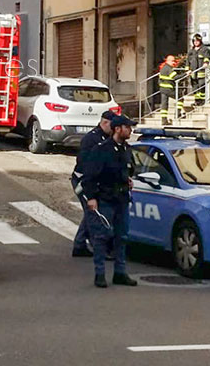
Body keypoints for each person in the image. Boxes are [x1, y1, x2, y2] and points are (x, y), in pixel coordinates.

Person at [80, 114, 139, 288]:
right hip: (105, 198)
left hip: (121, 199)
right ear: (117, 129)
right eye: (127, 128)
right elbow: (89, 176)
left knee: (122, 236)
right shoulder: (101, 150)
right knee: (102, 236)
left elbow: (129, 168)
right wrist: (91, 198)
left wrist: (128, 179)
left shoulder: (127, 149)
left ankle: (120, 272)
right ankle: (100, 274)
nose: (130, 131)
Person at [70, 110, 114, 257]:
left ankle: (79, 244)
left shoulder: (106, 137)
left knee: (91, 213)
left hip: (92, 181)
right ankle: (98, 248)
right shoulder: (92, 139)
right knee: (93, 215)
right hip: (83, 180)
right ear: (104, 123)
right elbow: (83, 163)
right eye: (112, 125)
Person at [186, 34, 210, 106]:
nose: (195, 42)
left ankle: (202, 101)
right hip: (193, 73)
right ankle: (197, 101)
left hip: (201, 72)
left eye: (197, 41)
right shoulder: (191, 51)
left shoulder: (205, 50)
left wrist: (206, 63)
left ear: (200, 41)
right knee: (195, 87)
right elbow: (187, 61)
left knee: (201, 85)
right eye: (194, 41)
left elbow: (207, 57)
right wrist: (187, 70)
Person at [157, 55, 182, 126]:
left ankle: (164, 120)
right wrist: (186, 74)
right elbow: (175, 77)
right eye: (172, 61)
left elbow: (159, 80)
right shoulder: (169, 69)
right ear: (168, 61)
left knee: (164, 105)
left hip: (163, 90)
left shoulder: (163, 68)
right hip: (169, 89)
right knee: (180, 98)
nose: (174, 62)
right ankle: (178, 114)